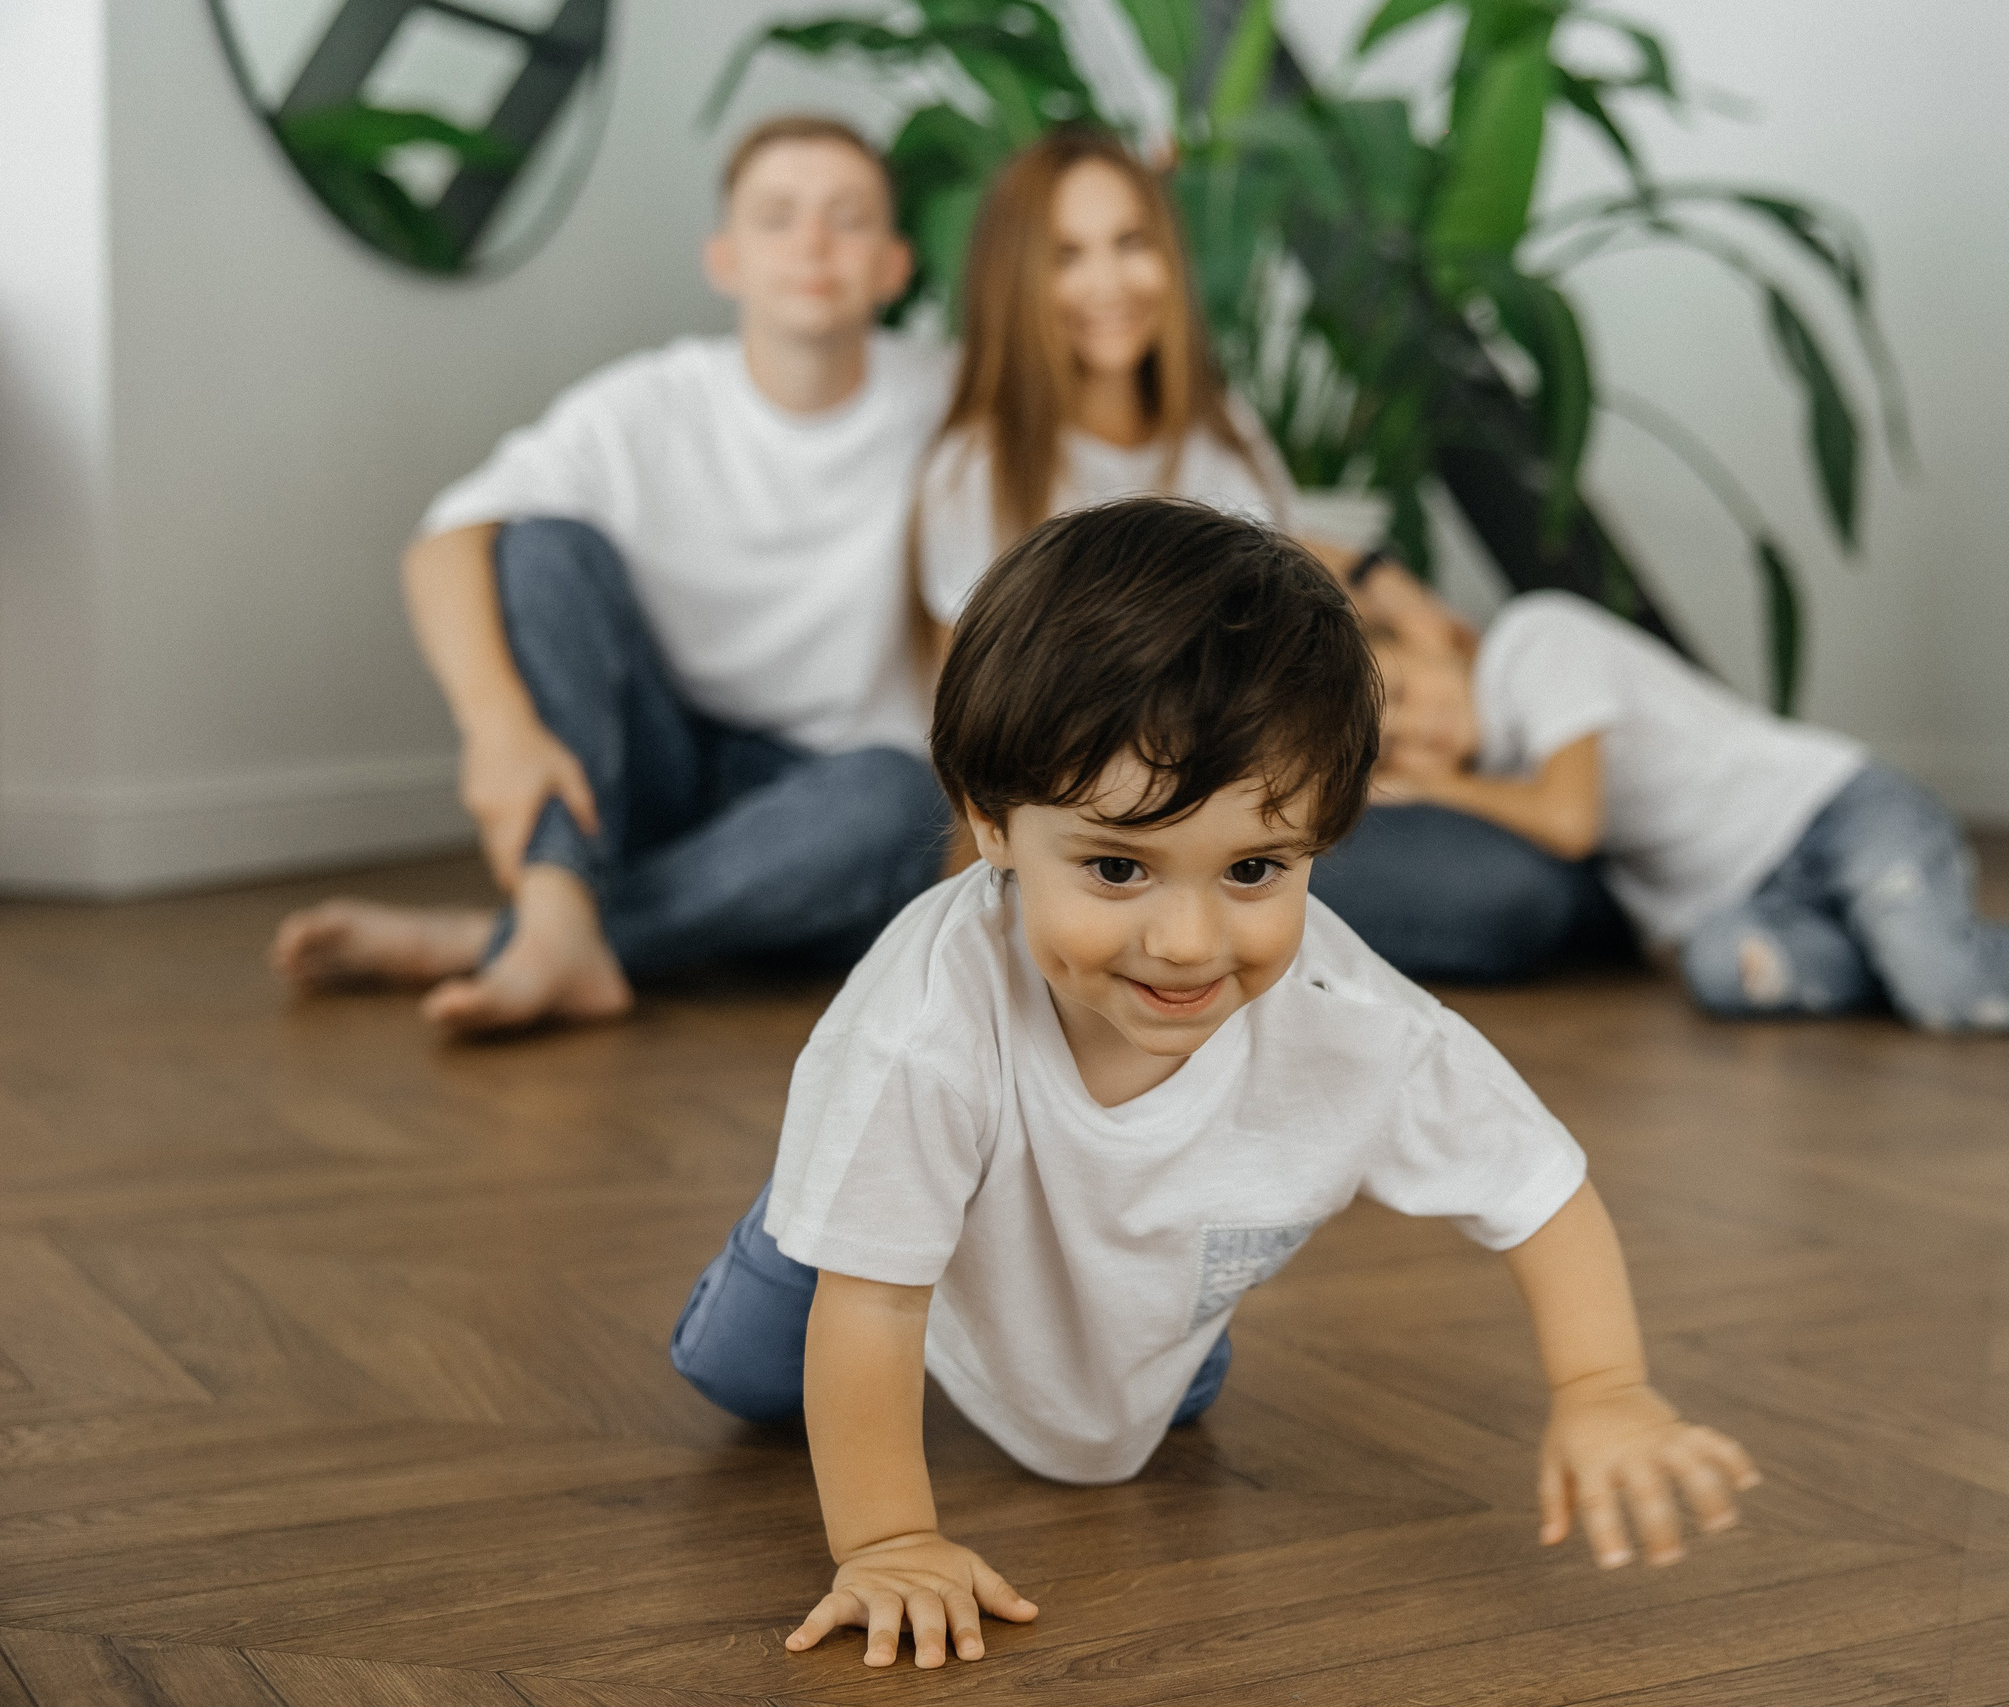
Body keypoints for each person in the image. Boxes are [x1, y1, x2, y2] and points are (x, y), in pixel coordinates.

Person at [667, 501, 1760, 1667]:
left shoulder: (1359, 1025)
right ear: (991, 822)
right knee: (752, 1370)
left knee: (1137, 1420)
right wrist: (888, 1539)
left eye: (1252, 868)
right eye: (1116, 866)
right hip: (850, 1264)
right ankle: (814, 1207)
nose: (1187, 941)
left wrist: (1601, 1385)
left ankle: (1087, 1304)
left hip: (1136, 1284)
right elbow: (875, 1306)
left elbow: (1540, 1193)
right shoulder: (921, 1032)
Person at [269, 116, 954, 1034]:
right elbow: (445, 542)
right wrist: (496, 728)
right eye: (778, 215)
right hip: (641, 772)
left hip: (819, 809)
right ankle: (556, 907)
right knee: (539, 542)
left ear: (895, 265)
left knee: (901, 797)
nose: (814, 244)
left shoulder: (958, 401)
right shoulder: (650, 403)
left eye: (849, 218)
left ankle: (523, 937)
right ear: (725, 258)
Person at [908, 125, 1629, 984]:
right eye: (1068, 254)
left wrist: (1378, 582)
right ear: (1016, 279)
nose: (1107, 282)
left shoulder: (1220, 437)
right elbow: (977, 723)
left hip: (1254, 806)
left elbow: (1287, 595)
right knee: (1512, 892)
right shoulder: (979, 473)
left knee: (1514, 873)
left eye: (1131, 243)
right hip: (1116, 832)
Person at [1366, 590, 2009, 1032]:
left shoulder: (1534, 645)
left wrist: (1429, 787)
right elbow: (1634, 858)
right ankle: (1923, 946)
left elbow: (1574, 822)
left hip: (1836, 814)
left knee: (1949, 1001)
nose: (1418, 738)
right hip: (1758, 897)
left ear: (1424, 636)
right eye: (1392, 746)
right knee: (1724, 975)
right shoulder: (1499, 771)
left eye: (1402, 693)